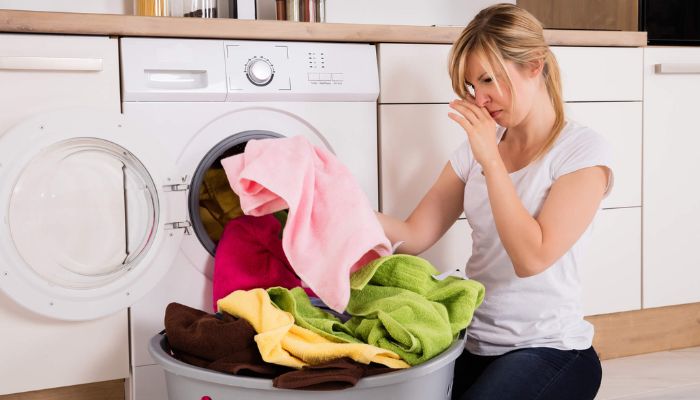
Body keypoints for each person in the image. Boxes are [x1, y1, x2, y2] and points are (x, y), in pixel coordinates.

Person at [376, 3, 611, 399]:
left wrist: (491, 159)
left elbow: (531, 258)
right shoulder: (473, 153)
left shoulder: (581, 152)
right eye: (472, 87)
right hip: (474, 342)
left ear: (534, 65)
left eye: (488, 80)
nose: (480, 100)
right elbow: (414, 234)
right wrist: (331, 201)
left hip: (551, 350)